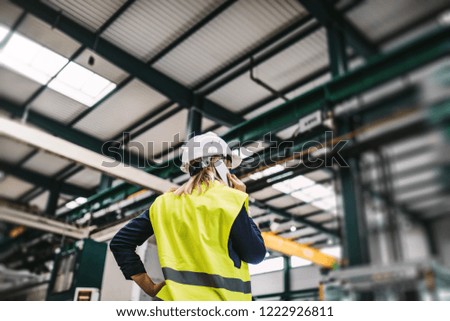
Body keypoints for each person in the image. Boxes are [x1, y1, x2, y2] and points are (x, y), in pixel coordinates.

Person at [110, 132, 266, 301]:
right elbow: (255, 255)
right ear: (221, 164)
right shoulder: (229, 200)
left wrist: (150, 287)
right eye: (228, 166)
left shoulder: (163, 203)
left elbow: (120, 243)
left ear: (188, 167)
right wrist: (241, 205)